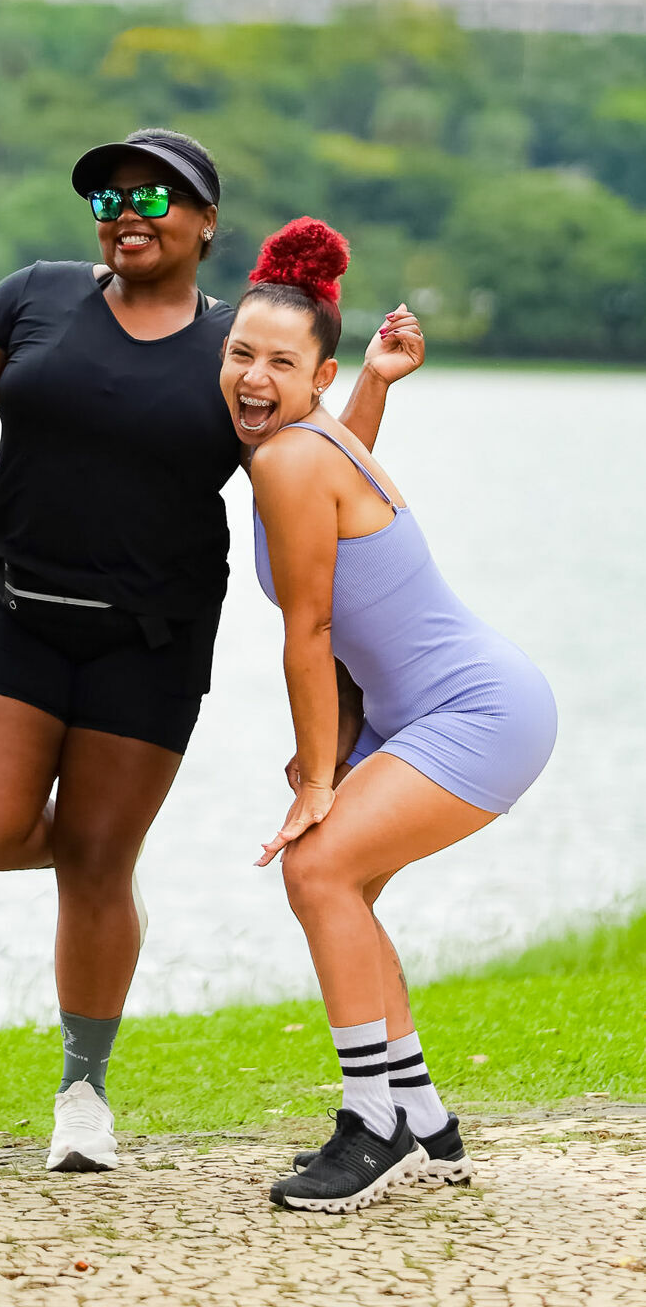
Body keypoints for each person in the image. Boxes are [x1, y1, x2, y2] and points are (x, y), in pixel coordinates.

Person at [0, 129, 425, 1173]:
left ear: (207, 223)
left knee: (98, 861)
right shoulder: (36, 295)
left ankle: (82, 1090)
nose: (128, 210)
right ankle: (99, 880)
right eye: (109, 196)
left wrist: (373, 384)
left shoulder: (233, 346)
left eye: (156, 196)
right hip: (16, 614)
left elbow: (315, 468)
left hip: (148, 644)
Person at [220, 217, 558, 1215]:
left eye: (281, 361)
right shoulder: (308, 445)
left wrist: (320, 772)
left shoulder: (288, 459)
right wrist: (371, 385)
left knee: (317, 863)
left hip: (473, 709)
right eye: (240, 351)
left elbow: (310, 623)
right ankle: (422, 1116)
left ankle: (372, 1124)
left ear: (312, 379)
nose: (252, 374)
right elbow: (334, 505)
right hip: (448, 707)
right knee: (343, 883)